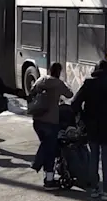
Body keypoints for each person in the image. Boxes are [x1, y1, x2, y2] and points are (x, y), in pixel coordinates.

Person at [71, 60, 107, 200]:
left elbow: (74, 102)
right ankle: (106, 190)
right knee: (106, 157)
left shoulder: (89, 84)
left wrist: (82, 117)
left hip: (92, 125)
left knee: (93, 157)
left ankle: (95, 188)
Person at [28, 62, 74, 190]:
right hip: (51, 121)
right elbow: (70, 94)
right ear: (59, 72)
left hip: (37, 120)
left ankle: (48, 177)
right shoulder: (58, 83)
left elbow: (31, 92)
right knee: (50, 149)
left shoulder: (41, 79)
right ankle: (43, 172)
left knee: (48, 147)